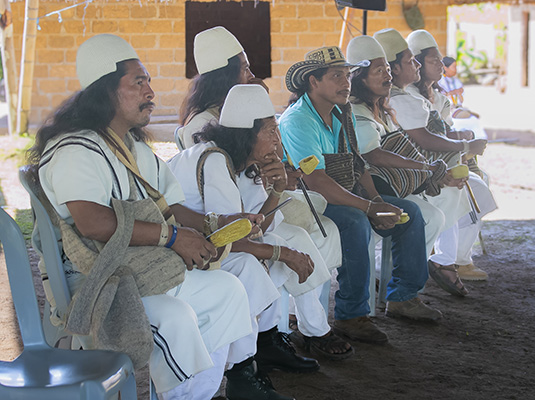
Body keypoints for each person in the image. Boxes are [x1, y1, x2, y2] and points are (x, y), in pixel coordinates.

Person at [26, 34, 267, 399]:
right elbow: (92, 222)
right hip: (98, 279)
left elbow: (171, 209)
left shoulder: (134, 146)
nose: (150, 92)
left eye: (149, 82)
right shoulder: (75, 149)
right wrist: (171, 238)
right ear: (104, 90)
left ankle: (193, 395)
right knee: (177, 316)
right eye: (139, 83)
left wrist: (216, 225)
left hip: (140, 266)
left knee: (229, 291)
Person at [177, 25, 344, 341]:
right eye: (244, 68)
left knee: (304, 239)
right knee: (290, 245)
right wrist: (267, 181)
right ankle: (282, 336)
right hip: (225, 221)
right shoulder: (205, 131)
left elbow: (252, 181)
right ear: (224, 76)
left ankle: (306, 329)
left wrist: (277, 179)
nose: (250, 74)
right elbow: (223, 202)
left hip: (254, 211)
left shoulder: (239, 117)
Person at [279, 46, 444, 341]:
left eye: (347, 75)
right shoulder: (298, 121)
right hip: (307, 200)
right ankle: (351, 314)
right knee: (354, 220)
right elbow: (315, 181)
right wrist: (368, 207)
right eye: (336, 76)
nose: (346, 83)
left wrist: (377, 200)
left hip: (342, 191)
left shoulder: (344, 113)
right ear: (313, 82)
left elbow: (358, 164)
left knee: (411, 213)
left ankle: (403, 296)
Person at [345, 35, 471, 257]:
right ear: (361, 79)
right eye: (380, 71)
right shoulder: (357, 110)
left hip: (399, 182)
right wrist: (429, 169)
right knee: (421, 213)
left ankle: (416, 278)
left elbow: (402, 148)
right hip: (372, 188)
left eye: (387, 70)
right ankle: (427, 268)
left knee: (434, 215)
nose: (388, 76)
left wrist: (434, 173)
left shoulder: (382, 107)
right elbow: (375, 156)